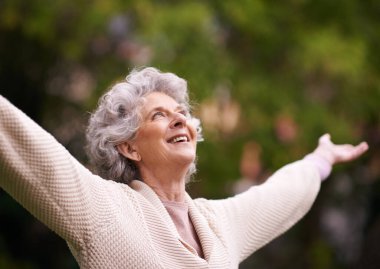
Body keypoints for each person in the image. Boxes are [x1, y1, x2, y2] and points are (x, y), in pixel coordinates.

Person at [0, 67, 368, 269]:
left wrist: (320, 160)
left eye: (183, 114)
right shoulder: (105, 212)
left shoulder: (217, 224)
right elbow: (23, 145)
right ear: (128, 147)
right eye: (160, 116)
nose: (180, 121)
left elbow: (279, 196)